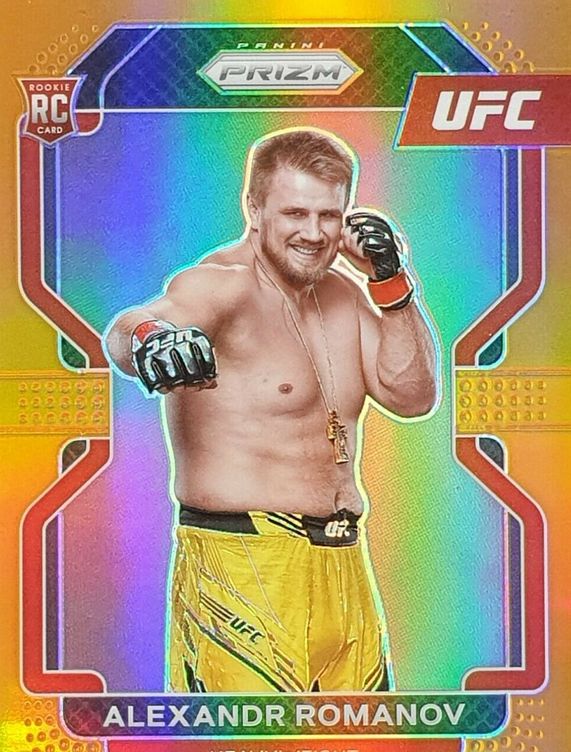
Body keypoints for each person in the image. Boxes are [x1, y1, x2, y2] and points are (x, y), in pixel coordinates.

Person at [104, 128, 438, 694]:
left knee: (361, 747)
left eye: (329, 215)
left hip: (344, 566)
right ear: (254, 209)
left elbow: (413, 397)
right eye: (295, 214)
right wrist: (151, 339)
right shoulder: (221, 286)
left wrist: (390, 282)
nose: (314, 233)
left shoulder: (345, 296)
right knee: (249, 748)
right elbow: (133, 325)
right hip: (241, 564)